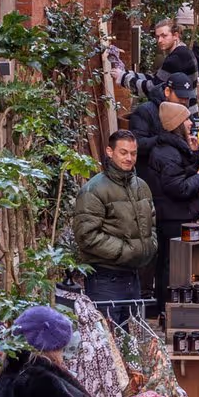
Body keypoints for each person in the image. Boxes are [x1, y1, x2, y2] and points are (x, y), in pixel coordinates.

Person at [71, 128, 157, 317]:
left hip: (133, 276)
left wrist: (150, 246)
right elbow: (87, 236)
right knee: (108, 337)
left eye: (133, 153)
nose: (129, 158)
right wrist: (126, 251)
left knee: (129, 340)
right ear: (110, 152)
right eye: (123, 152)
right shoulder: (93, 190)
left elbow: (151, 222)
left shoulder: (141, 186)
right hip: (104, 278)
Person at [142, 99, 199, 308]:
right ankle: (167, 309)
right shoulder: (168, 154)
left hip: (173, 214)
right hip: (173, 217)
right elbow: (178, 187)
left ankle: (167, 308)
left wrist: (195, 154)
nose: (190, 123)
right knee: (171, 267)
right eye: (186, 119)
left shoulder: (171, 149)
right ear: (177, 124)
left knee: (168, 265)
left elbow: (181, 173)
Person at [116, 17, 199, 112]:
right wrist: (127, 73)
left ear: (175, 36)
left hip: (183, 118)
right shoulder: (182, 52)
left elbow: (153, 88)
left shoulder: (177, 58)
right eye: (157, 36)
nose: (159, 40)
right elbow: (156, 78)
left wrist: (122, 78)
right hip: (187, 114)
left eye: (164, 36)